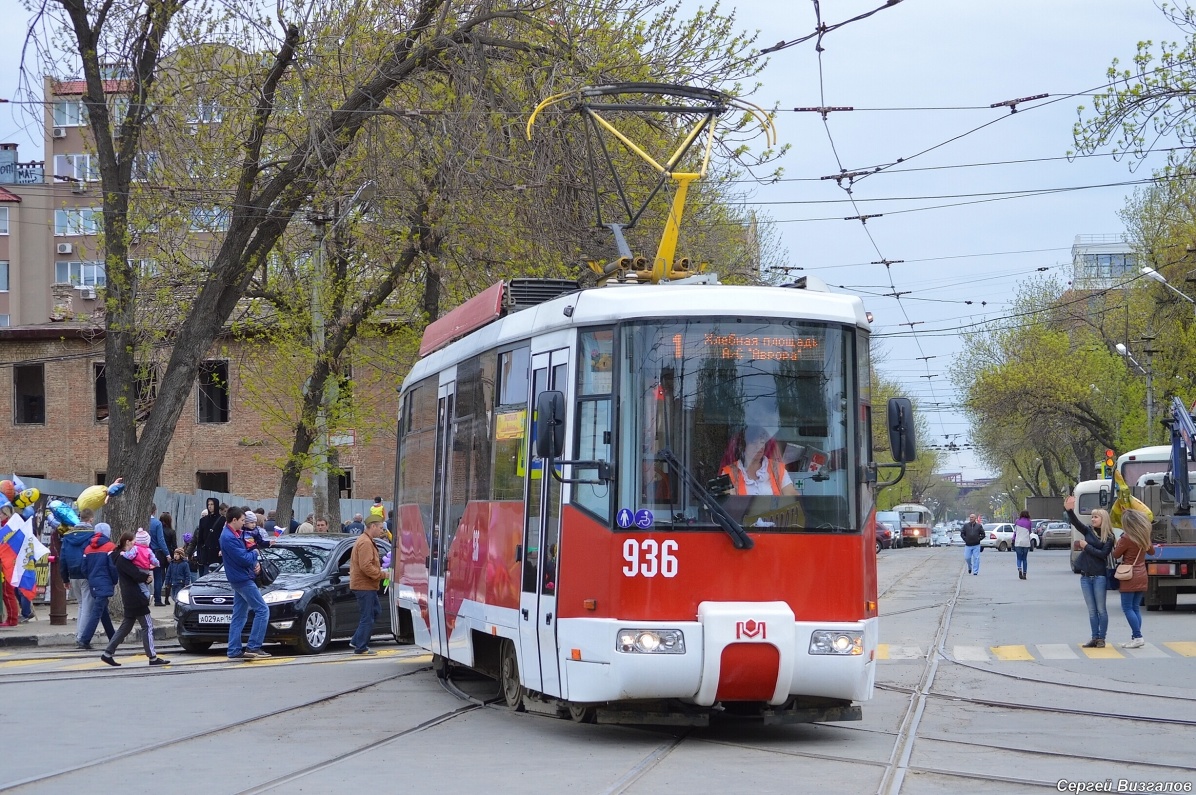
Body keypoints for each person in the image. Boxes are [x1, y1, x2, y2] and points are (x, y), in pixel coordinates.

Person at [100, 531, 169, 667]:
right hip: (136, 596)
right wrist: (146, 578)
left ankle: (107, 653)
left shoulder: (120, 558)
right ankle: (152, 657)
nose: (135, 544)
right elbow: (135, 574)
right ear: (127, 542)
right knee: (147, 625)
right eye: (133, 541)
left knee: (125, 627)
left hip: (129, 596)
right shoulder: (123, 560)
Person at [218, 507, 271, 660]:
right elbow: (244, 559)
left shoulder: (233, 534)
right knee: (262, 610)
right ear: (234, 520)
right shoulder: (228, 537)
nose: (243, 523)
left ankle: (234, 650)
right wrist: (255, 553)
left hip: (238, 577)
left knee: (239, 615)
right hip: (242, 578)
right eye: (242, 521)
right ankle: (254, 646)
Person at [1064, 495, 1115, 648]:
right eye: (1092, 517)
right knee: (1092, 611)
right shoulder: (1088, 531)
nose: (1093, 519)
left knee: (1101, 610)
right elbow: (1075, 522)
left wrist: (1086, 546)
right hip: (1085, 576)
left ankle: (1101, 638)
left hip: (1099, 576)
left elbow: (1102, 555)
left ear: (1103, 519)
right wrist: (1069, 510)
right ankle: (1094, 637)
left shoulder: (1109, 537)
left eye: (1096, 517)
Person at [1113, 508, 1156, 649]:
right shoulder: (1143, 536)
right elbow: (1152, 551)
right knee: (1135, 607)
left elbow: (1116, 555)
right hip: (1142, 573)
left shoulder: (1126, 538)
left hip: (1129, 575)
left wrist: (1119, 541)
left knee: (1127, 608)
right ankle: (1135, 637)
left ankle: (1137, 636)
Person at [719, 425, 799, 496]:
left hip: (775, 513)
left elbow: (792, 497)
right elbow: (726, 505)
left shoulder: (777, 469)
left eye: (762, 442)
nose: (759, 446)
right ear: (743, 446)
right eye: (754, 443)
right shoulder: (728, 472)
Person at [78, 522, 118, 649]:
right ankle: (85, 639)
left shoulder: (88, 548)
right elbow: (113, 567)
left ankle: (113, 637)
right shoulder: (110, 547)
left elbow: (83, 568)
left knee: (102, 610)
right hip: (105, 581)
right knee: (97, 612)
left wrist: (91, 577)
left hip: (93, 582)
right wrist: (114, 580)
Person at [349, 515, 385, 655]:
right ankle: (361, 647)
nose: (381, 531)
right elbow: (366, 566)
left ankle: (357, 640)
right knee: (367, 616)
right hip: (364, 586)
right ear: (373, 526)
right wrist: (382, 574)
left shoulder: (366, 540)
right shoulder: (365, 542)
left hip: (366, 585)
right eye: (380, 528)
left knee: (375, 611)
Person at [60, 508, 96, 645]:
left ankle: (79, 634)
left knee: (81, 604)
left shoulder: (68, 535)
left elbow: (62, 558)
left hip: (72, 573)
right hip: (86, 573)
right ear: (91, 520)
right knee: (87, 606)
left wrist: (65, 578)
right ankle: (82, 637)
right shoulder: (91, 535)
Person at [121, 528, 158, 601]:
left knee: (141, 584)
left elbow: (130, 556)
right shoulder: (148, 550)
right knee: (146, 582)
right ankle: (148, 593)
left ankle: (147, 596)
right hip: (146, 569)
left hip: (138, 568)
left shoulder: (135, 548)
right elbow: (154, 560)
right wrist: (157, 564)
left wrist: (124, 554)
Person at [194, 497, 224, 575]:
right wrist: (199, 553)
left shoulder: (222, 520)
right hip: (206, 553)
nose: (210, 506)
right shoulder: (203, 520)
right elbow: (200, 538)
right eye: (208, 504)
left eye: (212, 504)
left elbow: (223, 536)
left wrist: (222, 549)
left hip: (217, 552)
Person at [148, 503, 170, 606]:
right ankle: (157, 599)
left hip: (144, 552)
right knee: (158, 576)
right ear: (155, 511)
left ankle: (145, 597)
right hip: (156, 552)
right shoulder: (157, 523)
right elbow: (161, 540)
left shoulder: (143, 521)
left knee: (143, 574)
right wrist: (167, 554)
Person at [1013, 510, 1033, 580]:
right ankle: (1024, 574)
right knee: (1024, 558)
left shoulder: (1017, 522)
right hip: (1026, 542)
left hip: (1018, 542)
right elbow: (1030, 531)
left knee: (1019, 558)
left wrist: (1013, 539)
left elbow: (1015, 532)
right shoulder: (1029, 522)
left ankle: (1019, 569)